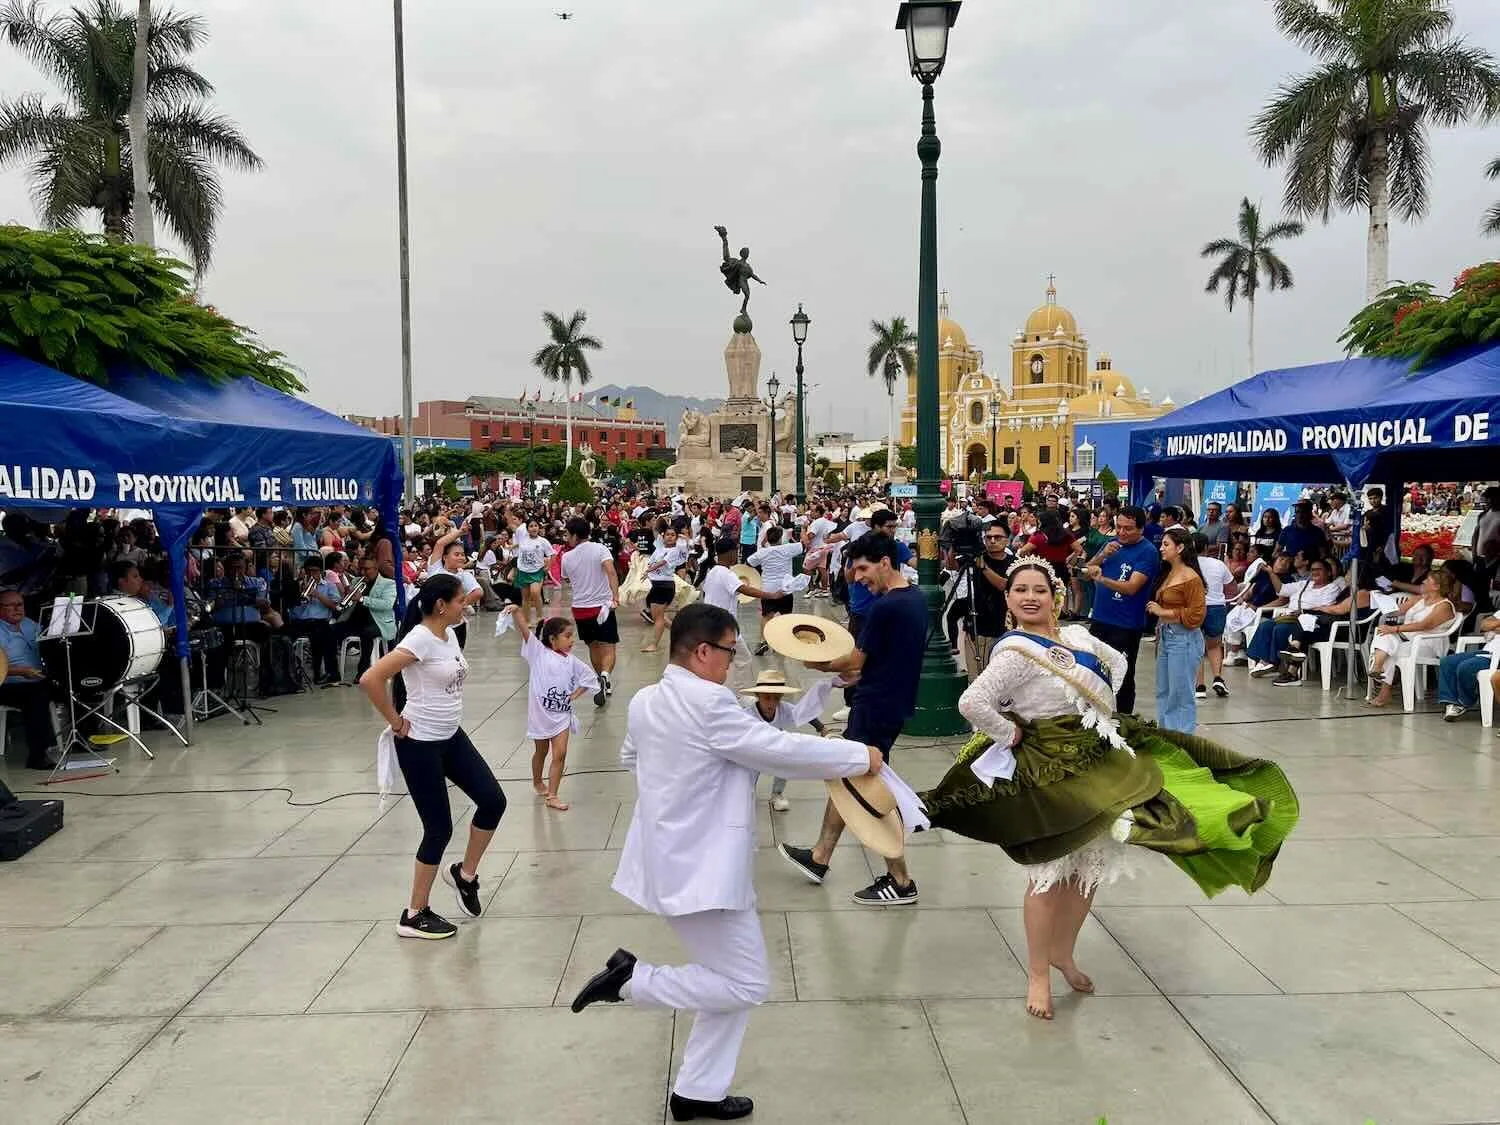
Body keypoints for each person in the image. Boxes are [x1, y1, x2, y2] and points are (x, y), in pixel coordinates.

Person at [922, 559, 1297, 1019]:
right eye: (1019, 589)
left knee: (1088, 863)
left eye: (1039, 589)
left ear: (1055, 595)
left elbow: (1118, 661)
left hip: (1097, 757)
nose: (1029, 597)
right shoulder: (1015, 652)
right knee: (1049, 870)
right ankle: (1038, 972)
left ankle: (1064, 953)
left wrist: (1094, 712)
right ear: (1008, 598)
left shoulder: (1078, 637)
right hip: (1049, 771)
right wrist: (1012, 733)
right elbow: (972, 702)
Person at [569, 603, 881, 1123]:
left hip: (678, 857)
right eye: (731, 652)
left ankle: (698, 1090)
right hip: (701, 868)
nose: (734, 664)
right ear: (703, 651)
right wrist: (858, 756)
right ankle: (629, 981)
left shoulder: (647, 700)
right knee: (747, 983)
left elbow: (631, 757)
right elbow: (777, 751)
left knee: (728, 979)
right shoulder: (710, 704)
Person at [779, 533, 928, 906]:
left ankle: (901, 879)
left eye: (863, 568)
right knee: (848, 777)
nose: (858, 577)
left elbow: (855, 659)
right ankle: (819, 857)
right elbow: (891, 656)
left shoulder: (884, 608)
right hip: (890, 700)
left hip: (876, 705)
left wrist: (814, 660)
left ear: (884, 562)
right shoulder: (915, 599)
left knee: (867, 790)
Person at [358, 573, 507, 940]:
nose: (466, 605)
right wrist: (396, 722)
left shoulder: (450, 634)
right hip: (419, 743)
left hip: (451, 736)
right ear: (442, 605)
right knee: (438, 828)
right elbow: (371, 678)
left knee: (492, 801)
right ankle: (413, 913)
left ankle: (465, 875)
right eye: (460, 601)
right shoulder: (420, 638)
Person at [508, 602, 598, 811]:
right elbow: (525, 631)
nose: (572, 640)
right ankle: (538, 781)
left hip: (561, 716)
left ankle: (553, 795)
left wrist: (574, 695)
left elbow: (588, 678)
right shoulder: (538, 653)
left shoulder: (572, 661)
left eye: (572, 635)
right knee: (541, 752)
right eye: (567, 636)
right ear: (552, 639)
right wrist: (517, 612)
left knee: (560, 754)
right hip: (540, 715)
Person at [1080, 505, 1158, 714]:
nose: (1122, 532)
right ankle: (1092, 714)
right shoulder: (1111, 544)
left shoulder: (1148, 552)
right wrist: (1102, 556)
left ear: (1141, 529)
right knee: (1093, 669)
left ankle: (1124, 718)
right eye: (1119, 527)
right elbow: (1087, 571)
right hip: (1100, 618)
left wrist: (1103, 579)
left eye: (1128, 528)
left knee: (1122, 674)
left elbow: (1132, 587)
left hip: (1125, 623)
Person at [741, 668, 833, 814]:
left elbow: (804, 714)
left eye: (776, 698)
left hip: (775, 745)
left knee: (784, 761)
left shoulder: (784, 709)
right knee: (748, 771)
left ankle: (777, 794)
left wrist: (822, 728)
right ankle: (746, 793)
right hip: (754, 748)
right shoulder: (747, 714)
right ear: (757, 695)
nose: (772, 703)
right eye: (767, 698)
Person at [1367, 571, 1460, 707]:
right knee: (1383, 633)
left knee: (1392, 647)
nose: (1423, 582)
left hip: (1428, 643)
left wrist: (1394, 629)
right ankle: (1378, 665)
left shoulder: (1444, 606)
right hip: (1409, 639)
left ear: (1437, 587)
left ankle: (1384, 689)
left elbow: (1424, 625)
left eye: (1427, 581)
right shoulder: (1419, 599)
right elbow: (1395, 610)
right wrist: (1380, 599)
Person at [1145, 528, 1207, 733]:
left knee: (1180, 694)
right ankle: (1166, 735)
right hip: (1167, 636)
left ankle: (1182, 738)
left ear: (1180, 548)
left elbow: (1197, 615)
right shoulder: (1170, 572)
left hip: (1184, 638)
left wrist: (1165, 611)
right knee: (1164, 691)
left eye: (1166, 544)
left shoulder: (1191, 578)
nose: (1161, 548)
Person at [561, 517, 620, 706]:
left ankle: (601, 680)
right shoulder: (600, 549)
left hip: (580, 609)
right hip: (602, 606)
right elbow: (611, 572)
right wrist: (615, 596)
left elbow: (566, 579)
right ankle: (605, 676)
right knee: (609, 646)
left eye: (568, 534)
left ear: (575, 535)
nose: (566, 538)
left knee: (593, 646)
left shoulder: (566, 557)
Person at [0, 589, 59, 769]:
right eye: (11, 605)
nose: (17, 609)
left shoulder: (30, 625)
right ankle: (37, 756)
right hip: (8, 684)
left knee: (75, 684)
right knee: (36, 696)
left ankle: (81, 738)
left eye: (20, 604)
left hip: (35, 678)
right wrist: (20, 671)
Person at [282, 557, 342, 686]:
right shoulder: (296, 584)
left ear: (321, 572)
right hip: (299, 621)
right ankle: (287, 675)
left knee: (325, 635)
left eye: (315, 571)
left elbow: (335, 606)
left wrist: (318, 595)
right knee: (282, 636)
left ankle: (329, 674)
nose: (311, 575)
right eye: (308, 571)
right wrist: (298, 592)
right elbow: (290, 606)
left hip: (320, 621)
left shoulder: (329, 586)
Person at [747, 524, 804, 657]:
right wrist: (804, 529)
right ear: (780, 538)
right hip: (785, 588)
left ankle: (763, 641)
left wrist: (763, 545)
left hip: (768, 590)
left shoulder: (762, 552)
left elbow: (749, 562)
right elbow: (805, 544)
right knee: (785, 616)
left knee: (767, 616)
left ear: (768, 539)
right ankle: (783, 642)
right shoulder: (789, 548)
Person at [1192, 533, 1236, 699]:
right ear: (1206, 547)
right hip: (1217, 607)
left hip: (1195, 607)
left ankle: (1199, 686)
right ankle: (1218, 677)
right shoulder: (1218, 564)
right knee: (1214, 644)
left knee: (1197, 647)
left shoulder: (1187, 565)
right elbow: (1231, 586)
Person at [427, 521, 483, 649]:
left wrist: (458, 605)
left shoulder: (464, 576)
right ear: (445, 557)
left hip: (456, 626)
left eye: (463, 555)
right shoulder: (435, 569)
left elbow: (478, 592)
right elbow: (440, 544)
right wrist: (460, 532)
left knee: (455, 662)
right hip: (432, 625)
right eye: (456, 554)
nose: (461, 558)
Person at [1438, 611, 1500, 721]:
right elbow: (1484, 624)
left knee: (1466, 667)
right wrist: (1495, 626)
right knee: (1447, 661)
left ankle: (1464, 702)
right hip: (1487, 651)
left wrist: (1494, 626)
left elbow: (1490, 626)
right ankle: (1451, 702)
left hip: (1497, 657)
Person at [641, 526, 690, 654]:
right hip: (656, 585)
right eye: (667, 534)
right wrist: (649, 572)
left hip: (665, 585)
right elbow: (651, 562)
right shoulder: (659, 549)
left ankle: (654, 644)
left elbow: (662, 562)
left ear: (676, 538)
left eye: (673, 535)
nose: (670, 537)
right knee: (660, 617)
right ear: (663, 536)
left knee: (658, 618)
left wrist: (649, 570)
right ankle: (683, 635)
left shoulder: (675, 550)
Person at [513, 518, 554, 619]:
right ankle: (527, 620)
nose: (534, 528)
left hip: (537, 571)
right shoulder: (522, 538)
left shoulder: (543, 541)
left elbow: (553, 554)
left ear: (539, 528)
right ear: (527, 529)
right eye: (531, 526)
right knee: (525, 597)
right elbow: (512, 525)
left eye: (535, 526)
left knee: (535, 593)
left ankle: (539, 617)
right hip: (523, 571)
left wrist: (548, 567)